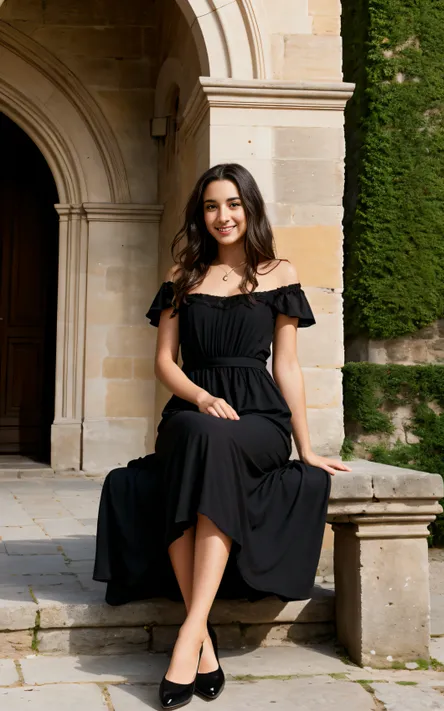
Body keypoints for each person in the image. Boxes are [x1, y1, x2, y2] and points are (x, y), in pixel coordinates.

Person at [93, 163, 351, 709]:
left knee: (212, 446)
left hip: (258, 418)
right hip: (193, 410)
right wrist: (202, 397)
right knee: (200, 437)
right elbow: (164, 362)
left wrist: (306, 448)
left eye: (233, 204)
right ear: (200, 213)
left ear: (249, 208)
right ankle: (200, 638)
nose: (223, 216)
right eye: (212, 206)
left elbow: (288, 368)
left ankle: (190, 635)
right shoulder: (181, 275)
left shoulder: (279, 273)